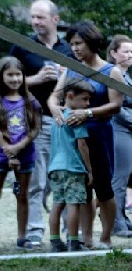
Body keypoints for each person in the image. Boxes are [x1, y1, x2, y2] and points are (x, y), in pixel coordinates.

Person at [48, 20, 123, 250]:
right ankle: (86, 238)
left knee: (103, 187)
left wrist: (87, 112)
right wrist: (54, 108)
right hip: (72, 139)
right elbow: (54, 97)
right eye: (72, 44)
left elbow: (116, 105)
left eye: (79, 43)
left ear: (91, 42)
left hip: (99, 135)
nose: (75, 48)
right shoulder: (71, 68)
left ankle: (106, 237)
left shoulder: (112, 71)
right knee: (82, 190)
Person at [9, 0, 73, 248]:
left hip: (66, 122)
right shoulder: (23, 47)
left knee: (67, 177)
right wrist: (35, 79)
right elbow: (5, 82)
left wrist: (65, 77)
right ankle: (34, 232)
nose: (35, 22)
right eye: (33, 17)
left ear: (55, 20)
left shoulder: (69, 50)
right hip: (36, 121)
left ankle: (70, 230)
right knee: (36, 180)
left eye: (40, 17)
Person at [47, 78, 94, 252]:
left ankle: (54, 241)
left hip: (55, 167)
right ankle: (74, 241)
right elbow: (82, 145)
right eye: (85, 99)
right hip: (72, 167)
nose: (87, 104)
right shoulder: (76, 119)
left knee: (57, 203)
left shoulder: (57, 118)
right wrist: (89, 169)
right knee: (74, 204)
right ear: (70, 96)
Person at [0, 56, 42, 250]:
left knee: (22, 194)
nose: (15, 79)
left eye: (18, 74)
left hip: (25, 155)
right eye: (10, 74)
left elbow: (35, 129)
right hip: (2, 155)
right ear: (1, 76)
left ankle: (22, 236)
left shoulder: (30, 101)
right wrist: (9, 153)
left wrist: (18, 148)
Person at [107, 34, 132, 238]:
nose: (130, 55)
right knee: (118, 179)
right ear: (113, 53)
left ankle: (123, 219)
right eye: (125, 51)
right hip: (118, 130)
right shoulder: (113, 74)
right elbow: (117, 108)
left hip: (129, 133)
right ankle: (116, 223)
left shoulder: (126, 75)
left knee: (124, 177)